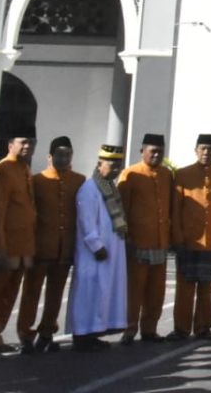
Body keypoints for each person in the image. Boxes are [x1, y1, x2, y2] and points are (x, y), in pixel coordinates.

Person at [17, 135, 83, 353]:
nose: (63, 159)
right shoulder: (37, 181)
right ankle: (26, 335)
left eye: (67, 155)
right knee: (31, 294)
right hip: (39, 248)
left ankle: (46, 333)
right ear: (50, 156)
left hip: (65, 250)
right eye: (59, 154)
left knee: (55, 294)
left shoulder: (79, 181)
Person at [68, 144, 128, 352]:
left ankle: (93, 334)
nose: (115, 169)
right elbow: (86, 222)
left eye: (118, 165)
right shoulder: (89, 189)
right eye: (111, 164)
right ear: (99, 163)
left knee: (102, 293)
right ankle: (81, 336)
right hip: (93, 253)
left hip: (110, 252)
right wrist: (96, 245)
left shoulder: (110, 187)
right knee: (88, 292)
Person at [170, 133, 211, 340]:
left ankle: (203, 327)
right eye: (202, 148)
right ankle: (181, 328)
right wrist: (177, 238)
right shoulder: (182, 175)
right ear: (195, 150)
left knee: (206, 287)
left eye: (210, 149)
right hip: (188, 240)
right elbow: (175, 210)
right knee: (185, 288)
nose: (206, 152)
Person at [117, 133, 173, 344]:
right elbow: (121, 210)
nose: (156, 155)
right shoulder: (130, 174)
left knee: (156, 290)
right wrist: (127, 239)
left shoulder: (167, 175)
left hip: (160, 241)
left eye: (160, 151)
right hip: (137, 241)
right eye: (152, 151)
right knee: (135, 289)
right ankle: (129, 329)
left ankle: (150, 329)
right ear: (142, 151)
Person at [0, 123, 36, 353]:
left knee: (10, 293)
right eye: (23, 142)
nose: (28, 146)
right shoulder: (2, 171)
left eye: (31, 142)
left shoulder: (24, 169)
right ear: (11, 145)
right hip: (6, 246)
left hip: (23, 247)